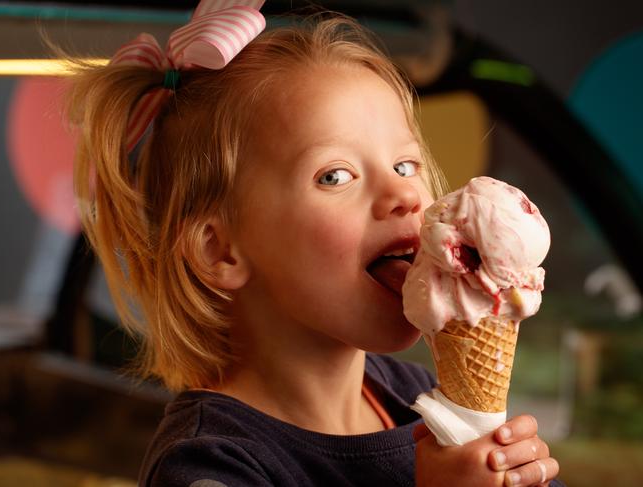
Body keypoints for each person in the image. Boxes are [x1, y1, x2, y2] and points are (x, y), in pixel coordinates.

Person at [66, 1, 562, 486]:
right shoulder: (209, 465)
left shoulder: (416, 399)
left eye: (405, 165)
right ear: (219, 251)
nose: (403, 195)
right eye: (335, 175)